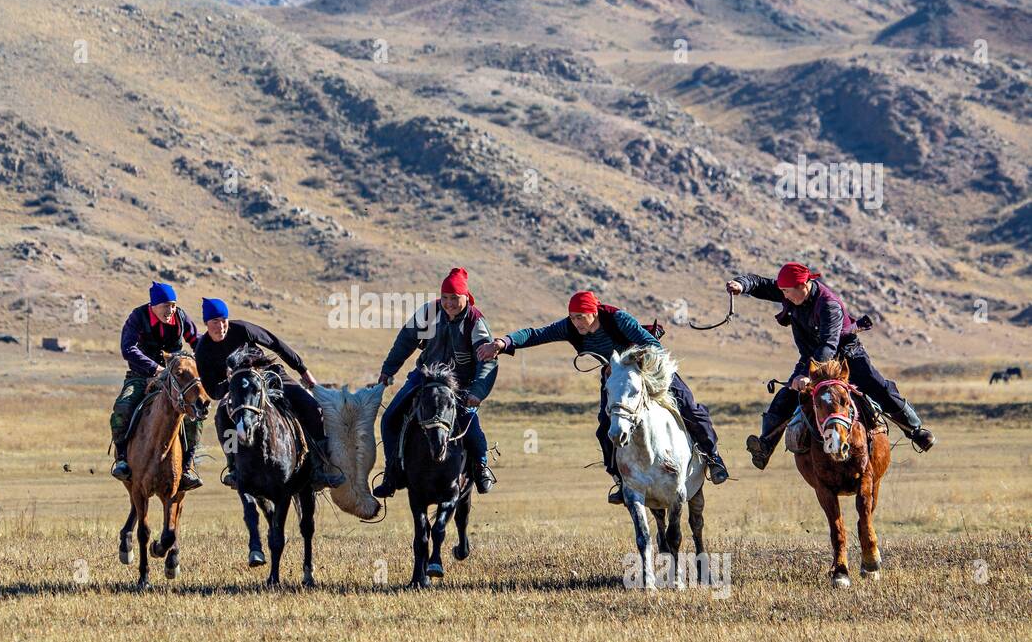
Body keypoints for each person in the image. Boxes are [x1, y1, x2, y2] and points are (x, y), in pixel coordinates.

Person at [479, 290, 728, 505]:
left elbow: (654, 345)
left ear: (594, 312)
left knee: (689, 407)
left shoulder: (617, 318)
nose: (576, 322)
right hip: (615, 377)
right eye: (573, 317)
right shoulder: (569, 327)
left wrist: (632, 363)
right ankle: (622, 480)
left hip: (649, 370)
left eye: (581, 316)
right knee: (605, 428)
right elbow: (536, 334)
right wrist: (503, 342)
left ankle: (713, 458)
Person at [727, 262, 936, 470]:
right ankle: (765, 446)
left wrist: (810, 376)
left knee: (878, 386)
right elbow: (760, 283)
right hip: (811, 357)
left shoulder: (828, 305)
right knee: (787, 396)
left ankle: (915, 430)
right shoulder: (791, 290)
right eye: (782, 291)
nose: (785, 296)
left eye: (787, 292)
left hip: (847, 355)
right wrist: (741, 284)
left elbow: (829, 344)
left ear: (804, 285)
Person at [194, 297, 344, 490]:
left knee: (311, 406)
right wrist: (231, 383)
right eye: (215, 321)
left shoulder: (242, 329)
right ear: (206, 323)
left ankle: (318, 468)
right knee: (222, 417)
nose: (221, 326)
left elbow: (275, 343)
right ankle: (233, 467)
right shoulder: (203, 350)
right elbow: (212, 390)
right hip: (238, 391)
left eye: (224, 320)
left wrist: (303, 371)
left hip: (269, 376)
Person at [372, 267, 498, 498]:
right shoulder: (430, 311)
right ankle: (392, 473)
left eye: (455, 298)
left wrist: (478, 391)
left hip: (459, 385)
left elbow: (487, 361)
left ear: (466, 297)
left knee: (470, 424)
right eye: (446, 297)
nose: (449, 303)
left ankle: (481, 467)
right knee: (390, 418)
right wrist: (388, 370)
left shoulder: (475, 322)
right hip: (425, 378)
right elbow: (405, 341)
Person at [110, 282, 202, 488]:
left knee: (194, 411)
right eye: (166, 306)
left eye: (173, 305)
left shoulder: (180, 317)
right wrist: (156, 370)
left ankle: (188, 466)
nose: (171, 310)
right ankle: (123, 458)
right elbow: (128, 349)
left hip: (176, 379)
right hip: (141, 375)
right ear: (154, 305)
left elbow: (196, 340)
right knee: (122, 407)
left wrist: (207, 358)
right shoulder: (137, 317)